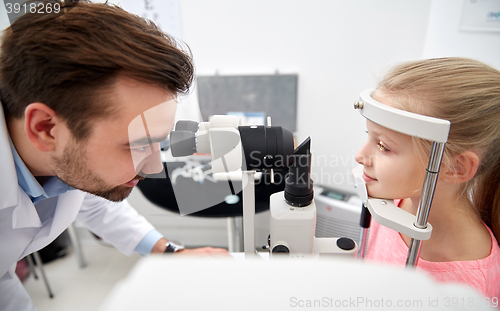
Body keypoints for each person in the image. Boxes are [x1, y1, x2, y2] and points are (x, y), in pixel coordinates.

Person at [0, 1, 228, 310]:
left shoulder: (66, 157)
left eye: (156, 143)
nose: (154, 165)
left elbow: (92, 203)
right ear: (45, 128)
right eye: (136, 144)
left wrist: (171, 253)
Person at [355, 57, 500, 299]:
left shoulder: (474, 288)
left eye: (383, 146)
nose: (360, 156)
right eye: (368, 135)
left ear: (456, 167)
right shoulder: (391, 205)